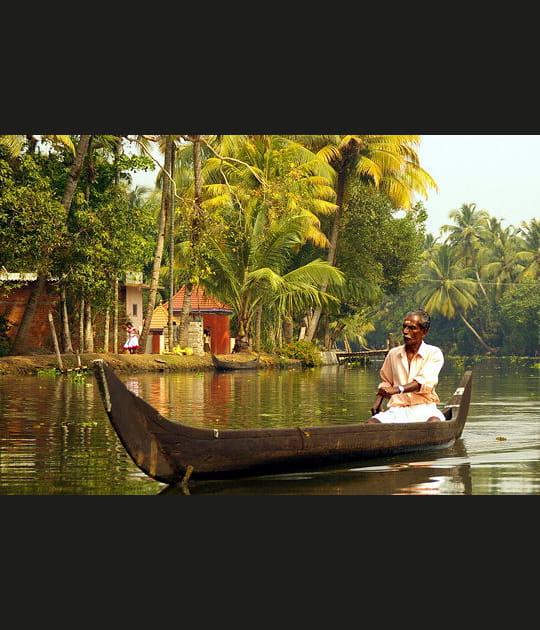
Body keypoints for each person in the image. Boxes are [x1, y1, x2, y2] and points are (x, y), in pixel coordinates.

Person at [367, 309, 446, 424]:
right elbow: (387, 381)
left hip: (424, 408)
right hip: (398, 410)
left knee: (434, 422)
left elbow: (423, 383)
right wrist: (379, 400)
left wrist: (398, 389)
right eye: (404, 327)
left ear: (423, 332)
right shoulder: (393, 354)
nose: (405, 331)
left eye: (412, 328)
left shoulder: (433, 353)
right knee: (371, 424)